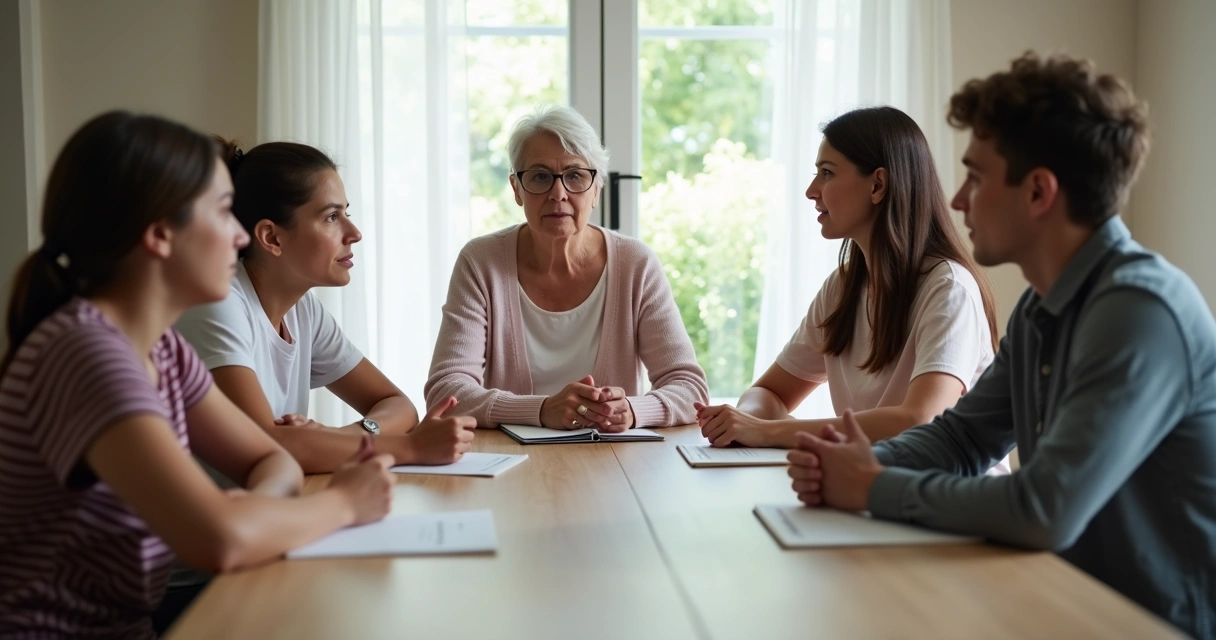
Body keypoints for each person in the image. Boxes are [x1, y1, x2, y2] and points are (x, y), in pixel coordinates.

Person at [789, 52, 1216, 640]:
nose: (957, 200)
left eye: (976, 177)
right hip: (1064, 603)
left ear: (1038, 192)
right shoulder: (1044, 307)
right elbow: (964, 437)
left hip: (1147, 624)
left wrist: (871, 485)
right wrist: (853, 463)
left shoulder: (1138, 311)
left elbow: (1043, 509)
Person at [0, 111, 395, 639]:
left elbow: (269, 457)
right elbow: (221, 540)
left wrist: (246, 512)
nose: (238, 235)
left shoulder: (162, 348)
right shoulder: (86, 353)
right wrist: (343, 502)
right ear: (161, 234)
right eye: (223, 212)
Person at [697, 106, 999, 453]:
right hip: (875, 480)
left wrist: (767, 431)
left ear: (878, 185)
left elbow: (921, 420)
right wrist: (745, 421)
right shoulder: (841, 287)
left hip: (945, 487)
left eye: (827, 173)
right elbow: (769, 392)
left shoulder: (948, 289)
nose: (811, 190)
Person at [177, 140, 476, 474]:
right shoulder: (216, 304)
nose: (354, 233)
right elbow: (266, 446)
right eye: (332, 217)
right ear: (272, 238)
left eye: (346, 213)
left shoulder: (304, 310)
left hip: (274, 500)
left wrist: (338, 438)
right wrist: (412, 447)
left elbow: (399, 405)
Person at [426, 104, 708, 430]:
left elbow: (690, 388)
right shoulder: (481, 262)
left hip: (614, 456)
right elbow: (446, 392)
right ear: (516, 189)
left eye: (575, 176)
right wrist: (542, 410)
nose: (558, 193)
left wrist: (633, 410)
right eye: (540, 177)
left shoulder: (636, 265)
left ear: (596, 190)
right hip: (512, 456)